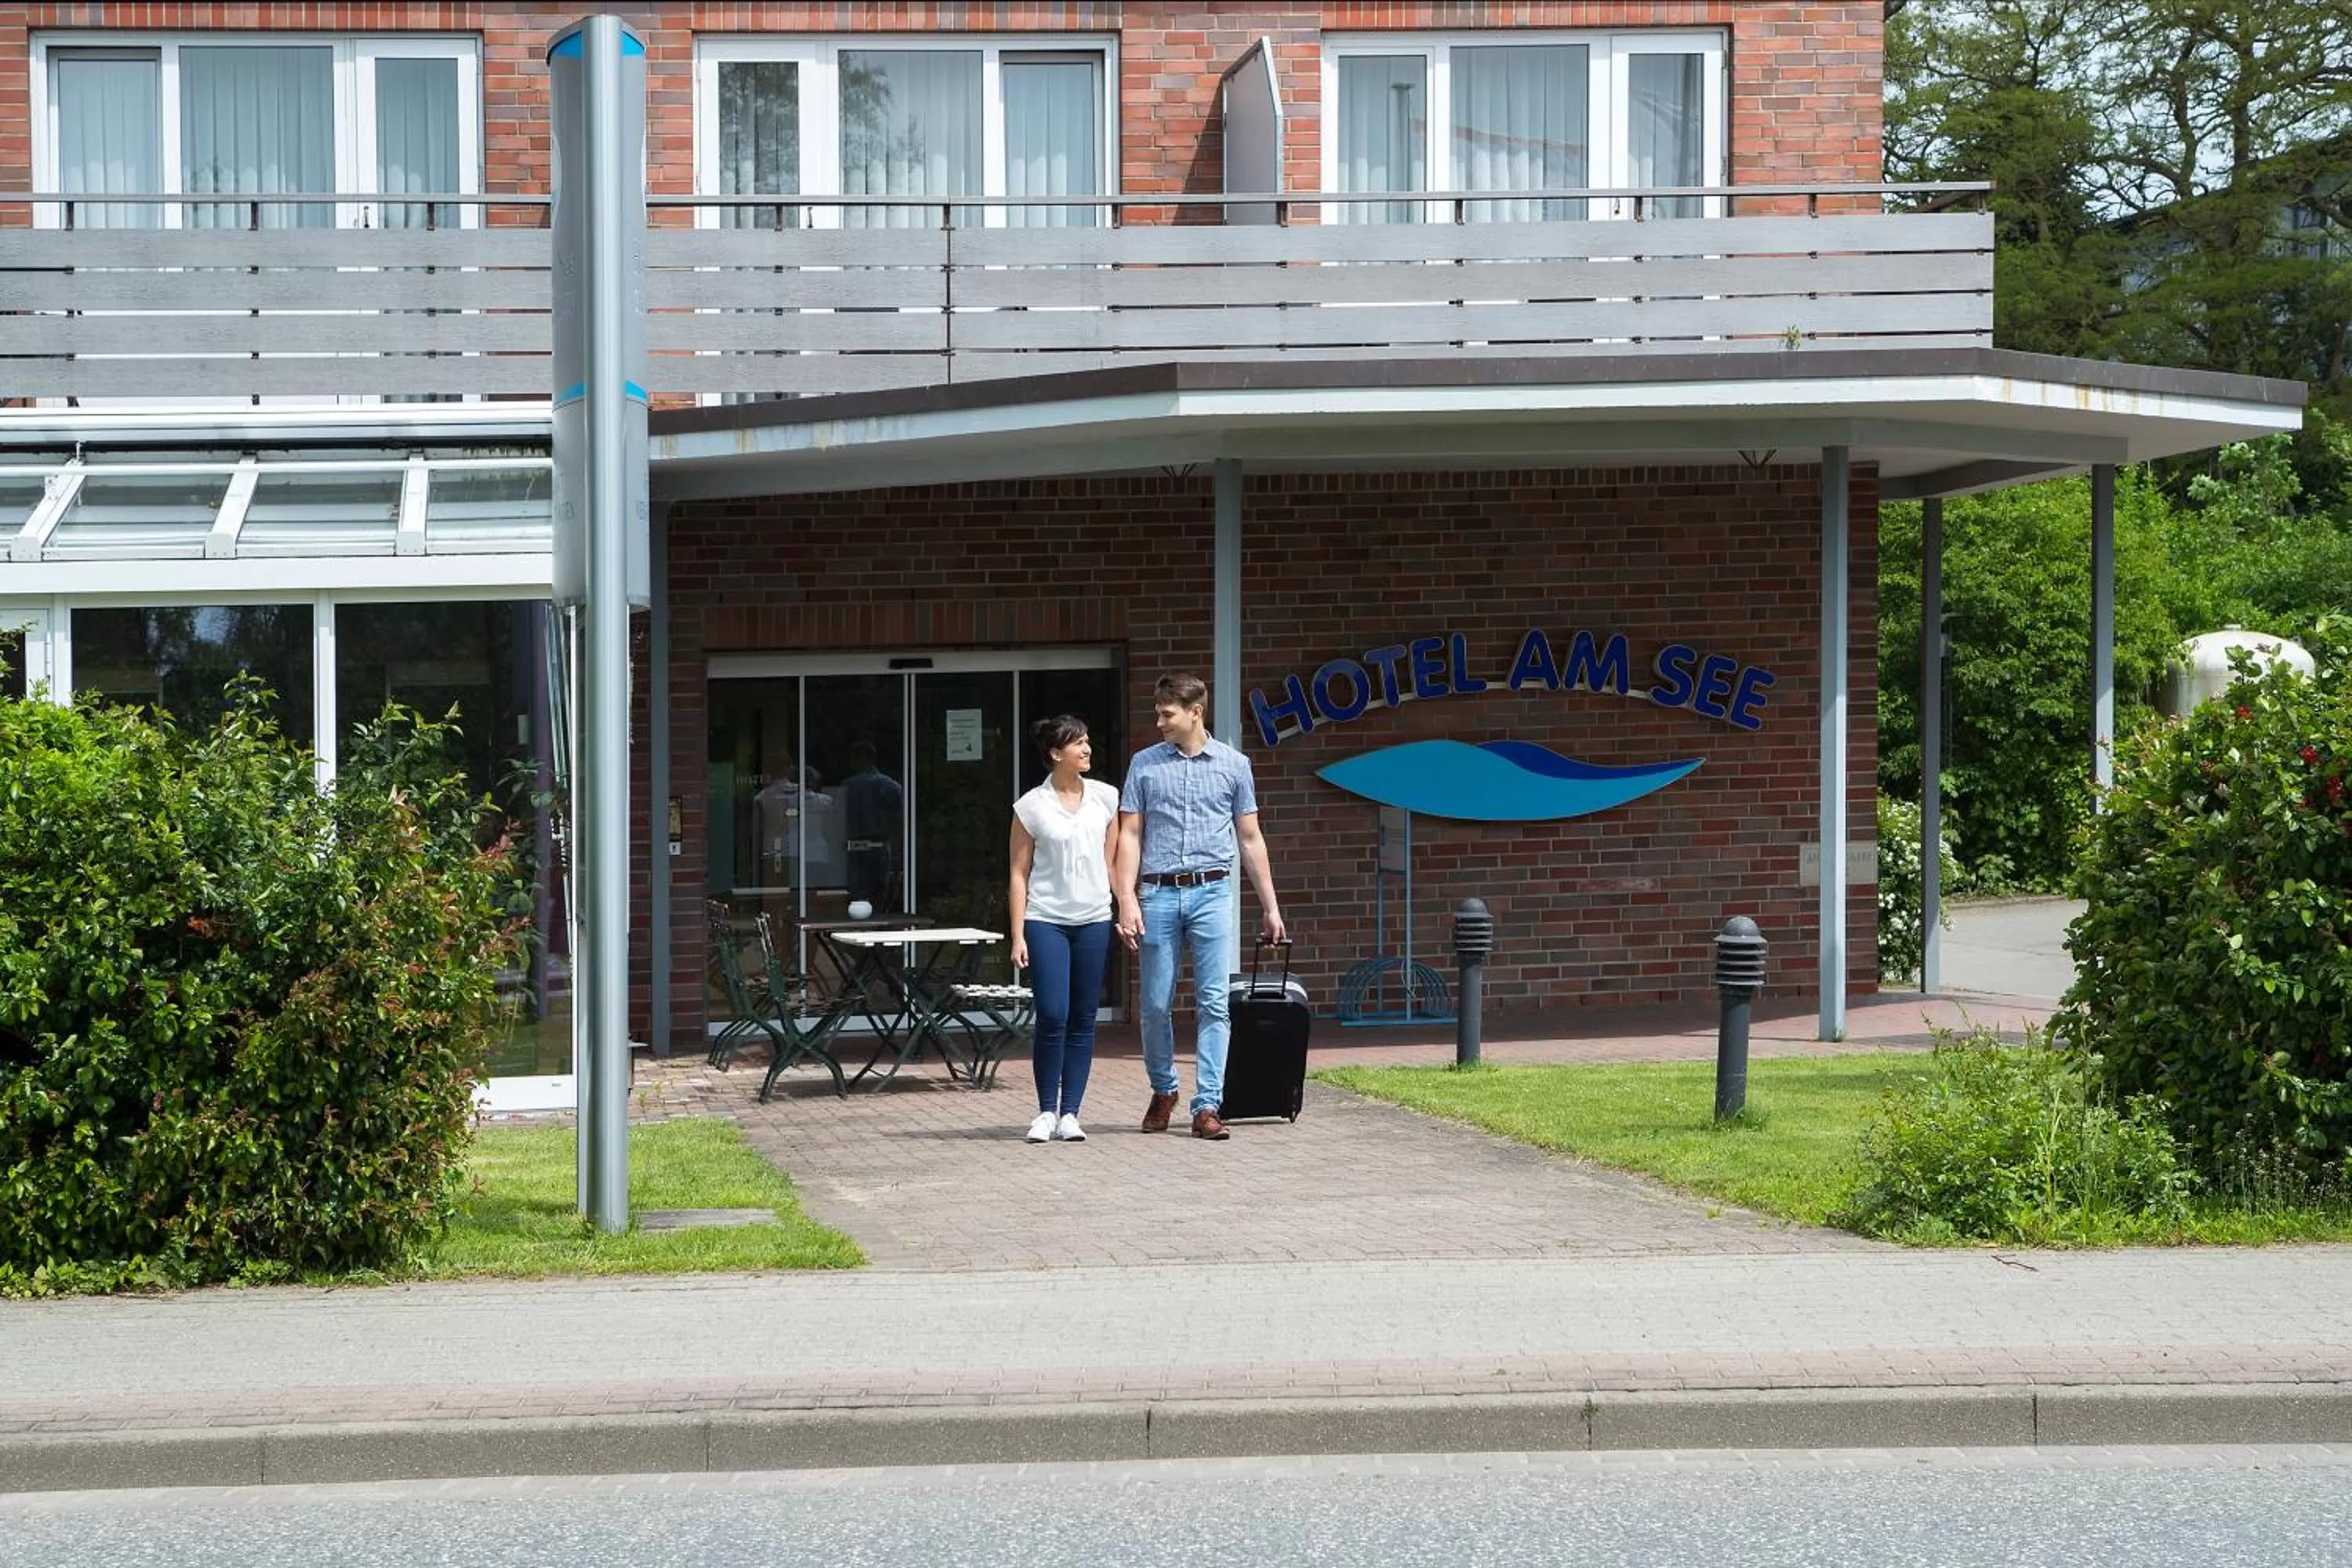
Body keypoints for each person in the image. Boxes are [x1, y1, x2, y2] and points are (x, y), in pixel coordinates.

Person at [1114, 672, 1286, 1141]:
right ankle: (1163, 1088)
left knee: (1214, 1003)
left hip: (1213, 892)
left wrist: (1270, 907)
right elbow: (1130, 833)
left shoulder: (1234, 765)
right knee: (1154, 1005)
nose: (1159, 722)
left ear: (1196, 712)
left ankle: (1207, 1105)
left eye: (1167, 714)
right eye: (1158, 713)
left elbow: (1250, 839)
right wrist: (1126, 897)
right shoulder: (1145, 766)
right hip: (1159, 893)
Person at [1008, 714, 1120, 1144]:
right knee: (1053, 1015)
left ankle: (1071, 1112)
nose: (1088, 749)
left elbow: (1110, 864)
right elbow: (1018, 874)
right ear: (1057, 754)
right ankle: (1045, 1112)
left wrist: (1124, 907)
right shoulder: (1031, 806)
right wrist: (1018, 934)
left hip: (1093, 920)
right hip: (1045, 920)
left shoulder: (1107, 799)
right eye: (1079, 744)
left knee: (1083, 1018)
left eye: (1089, 741)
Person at [839, 739, 904, 913]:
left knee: (857, 897)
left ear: (862, 759)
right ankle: (877, 929)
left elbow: (838, 820)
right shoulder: (892, 786)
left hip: (854, 848)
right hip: (880, 846)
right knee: (879, 895)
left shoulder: (848, 786)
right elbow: (900, 821)